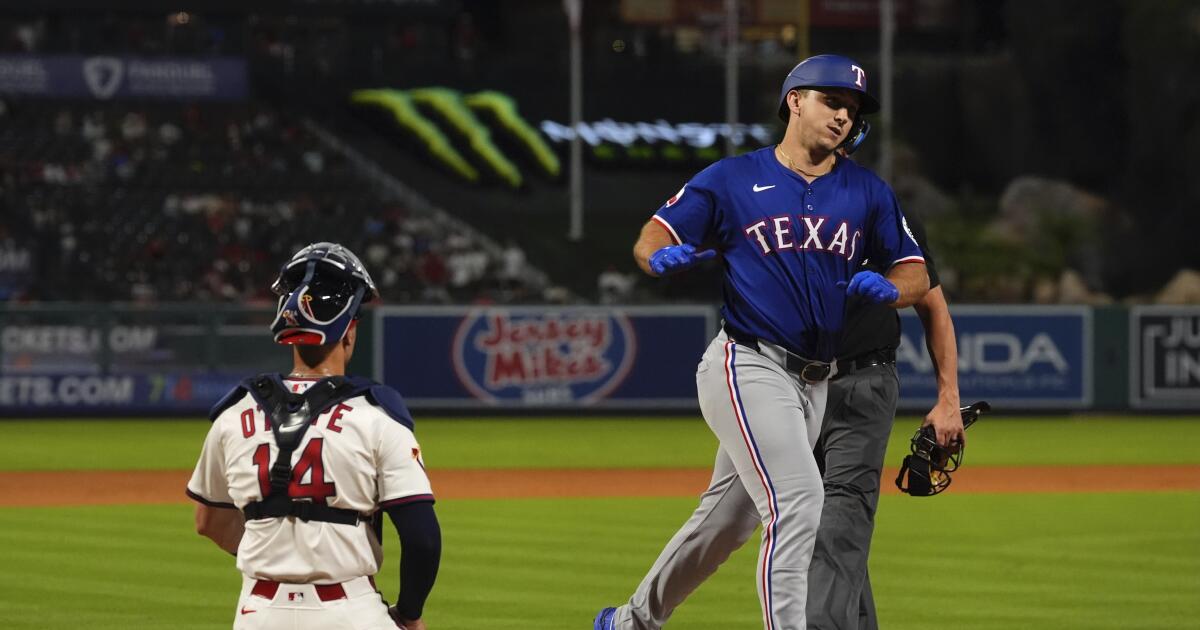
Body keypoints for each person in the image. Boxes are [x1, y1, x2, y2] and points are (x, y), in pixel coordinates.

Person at [593, 54, 929, 630]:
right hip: (748, 363)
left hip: (817, 382)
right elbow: (655, 233)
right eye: (831, 100)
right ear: (794, 101)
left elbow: (916, 272)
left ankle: (629, 623)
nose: (843, 115)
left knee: (726, 523)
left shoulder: (867, 191)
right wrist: (656, 256)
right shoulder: (730, 178)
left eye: (851, 107)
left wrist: (893, 288)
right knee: (800, 501)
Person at [186, 242, 441, 630]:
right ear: (349, 332)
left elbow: (208, 522)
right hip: (349, 611)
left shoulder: (233, 415)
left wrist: (283, 554)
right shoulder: (376, 416)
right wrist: (409, 615)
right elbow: (422, 538)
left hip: (257, 612)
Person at [807, 206, 963, 629]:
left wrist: (949, 398)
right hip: (794, 387)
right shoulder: (779, 211)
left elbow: (934, 305)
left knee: (838, 521)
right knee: (816, 528)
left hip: (864, 382)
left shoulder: (880, 211)